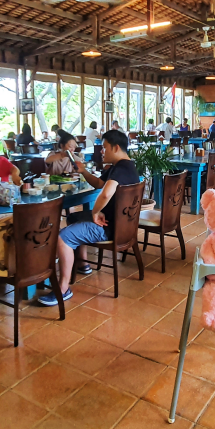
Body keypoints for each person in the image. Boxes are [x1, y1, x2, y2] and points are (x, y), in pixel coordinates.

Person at [40, 129, 140, 306]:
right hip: (123, 225)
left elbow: (106, 193)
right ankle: (82, 264)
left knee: (62, 238)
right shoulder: (125, 167)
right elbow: (100, 184)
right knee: (73, 218)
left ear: (116, 147)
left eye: (105, 147)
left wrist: (95, 212)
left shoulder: (120, 169)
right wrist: (84, 171)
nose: (102, 151)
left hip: (109, 227)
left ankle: (63, 289)